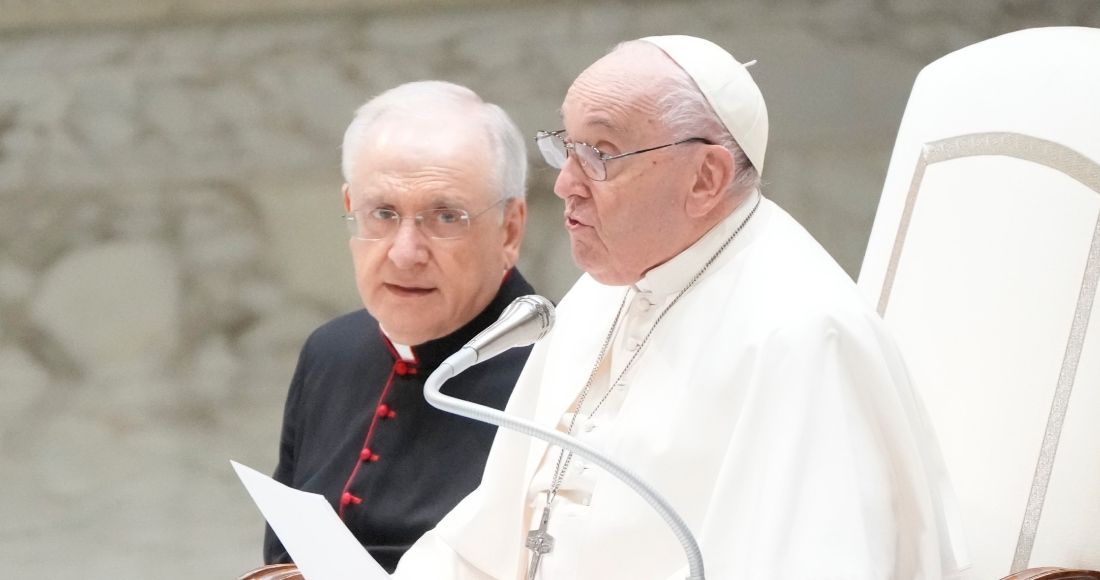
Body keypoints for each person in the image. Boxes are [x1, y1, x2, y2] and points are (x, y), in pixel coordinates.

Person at [393, 36, 968, 580]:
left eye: (599, 154)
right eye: (566, 147)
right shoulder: (602, 292)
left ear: (706, 179)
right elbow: (490, 541)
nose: (565, 183)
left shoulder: (805, 334)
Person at [263, 80, 534, 573]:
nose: (405, 254)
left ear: (510, 228)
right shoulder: (331, 351)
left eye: (446, 217)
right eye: (383, 214)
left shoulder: (566, 371)